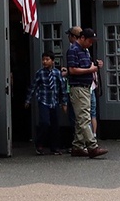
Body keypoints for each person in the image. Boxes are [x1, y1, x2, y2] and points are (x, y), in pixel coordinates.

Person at [65, 29, 106, 158]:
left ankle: (77, 146)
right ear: (82, 38)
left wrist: (95, 65)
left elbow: (86, 67)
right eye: (89, 41)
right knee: (84, 118)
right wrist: (90, 69)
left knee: (81, 118)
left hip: (86, 86)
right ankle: (92, 146)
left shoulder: (85, 51)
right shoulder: (73, 50)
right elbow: (72, 70)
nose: (91, 44)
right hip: (78, 87)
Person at [24, 49, 67, 154]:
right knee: (44, 122)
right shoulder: (40, 73)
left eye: (47, 59)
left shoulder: (57, 73)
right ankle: (39, 144)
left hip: (55, 101)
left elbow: (63, 89)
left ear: (52, 61)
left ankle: (55, 147)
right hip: (43, 101)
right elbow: (33, 87)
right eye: (43, 60)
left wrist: (64, 103)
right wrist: (28, 100)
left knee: (55, 125)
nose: (44, 62)